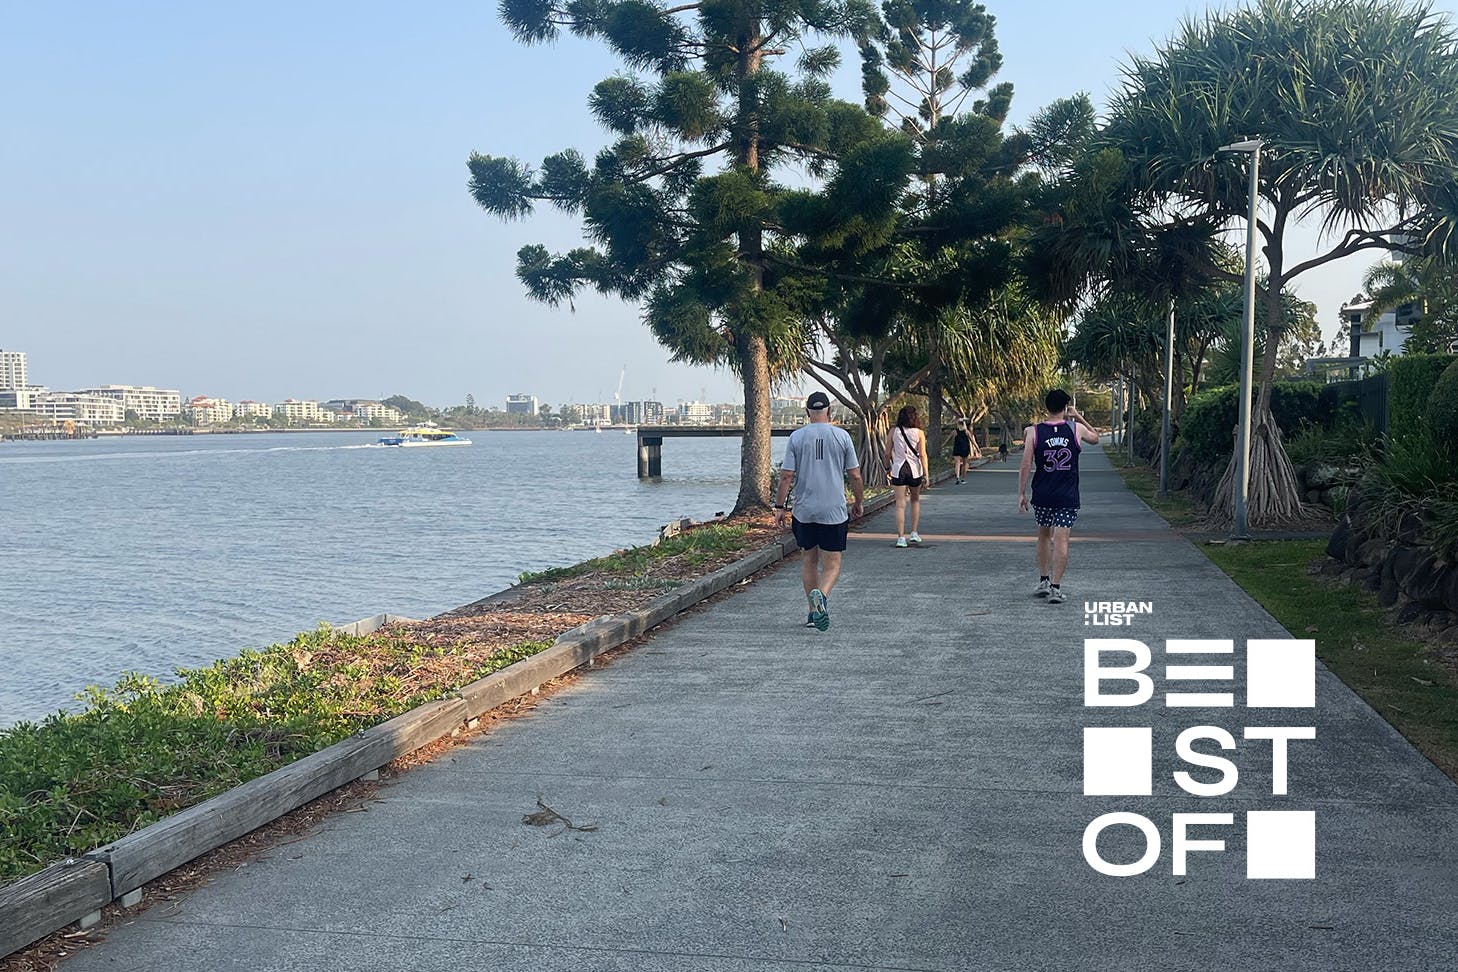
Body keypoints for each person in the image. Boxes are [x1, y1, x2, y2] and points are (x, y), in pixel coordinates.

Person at [773, 391, 864, 631]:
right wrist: (858, 501)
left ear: (807, 412)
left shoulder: (796, 437)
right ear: (829, 412)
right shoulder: (842, 436)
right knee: (832, 563)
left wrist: (779, 507)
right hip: (833, 509)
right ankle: (821, 596)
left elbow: (786, 476)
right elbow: (854, 474)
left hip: (805, 510)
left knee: (808, 560)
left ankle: (813, 613)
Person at [1018, 389, 1100, 604]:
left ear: (1046, 407)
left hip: (1043, 493)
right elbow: (1096, 439)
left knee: (1043, 534)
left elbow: (1026, 463)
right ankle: (1055, 587)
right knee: (1062, 538)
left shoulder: (1034, 432)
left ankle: (1043, 580)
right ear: (1066, 407)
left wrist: (1021, 493)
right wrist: (1079, 416)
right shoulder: (1076, 429)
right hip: (1067, 495)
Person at [883, 405, 929, 548]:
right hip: (915, 469)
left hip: (898, 469)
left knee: (900, 505)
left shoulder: (893, 431)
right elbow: (922, 454)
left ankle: (901, 538)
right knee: (915, 500)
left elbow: (887, 453)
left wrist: (887, 468)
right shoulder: (919, 433)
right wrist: (927, 474)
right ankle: (914, 532)